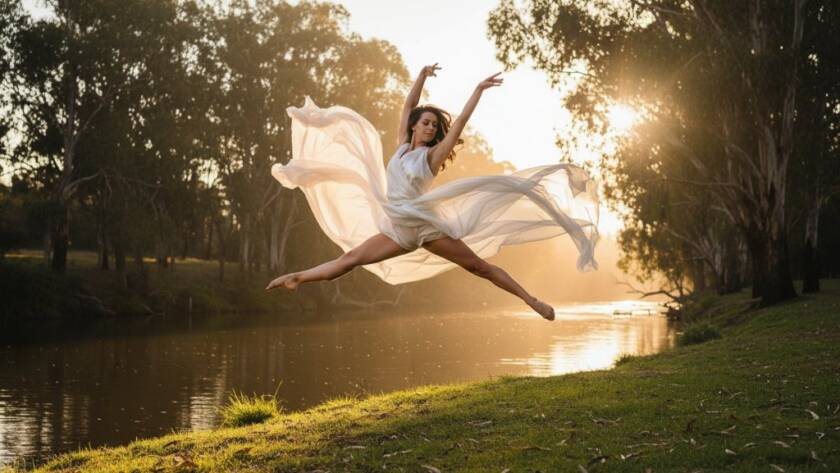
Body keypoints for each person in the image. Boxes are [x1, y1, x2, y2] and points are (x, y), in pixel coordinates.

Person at [266, 63, 600, 321]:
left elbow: (458, 126)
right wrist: (422, 76)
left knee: (479, 268)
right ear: (413, 125)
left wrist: (478, 91)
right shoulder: (400, 147)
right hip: (397, 229)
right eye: (424, 122)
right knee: (350, 259)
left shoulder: (431, 157)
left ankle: (532, 300)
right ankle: (298, 277)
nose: (430, 127)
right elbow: (408, 103)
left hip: (425, 228)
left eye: (433, 126)